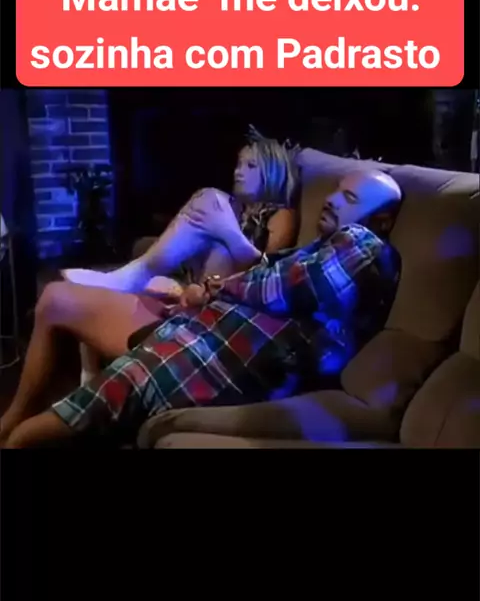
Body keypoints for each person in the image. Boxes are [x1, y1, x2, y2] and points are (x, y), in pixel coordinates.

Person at [0, 169, 403, 449]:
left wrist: (215, 287)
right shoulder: (316, 249)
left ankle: (17, 431)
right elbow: (272, 278)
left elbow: (284, 287)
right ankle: (14, 416)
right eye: (336, 190)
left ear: (383, 220)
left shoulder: (365, 246)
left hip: (208, 350)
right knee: (57, 299)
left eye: (349, 198)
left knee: (30, 437)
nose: (331, 199)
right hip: (195, 322)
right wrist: (197, 294)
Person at [66, 127, 299, 383]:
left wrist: (228, 233)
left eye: (250, 166)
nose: (238, 171)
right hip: (194, 284)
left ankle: (133, 278)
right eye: (239, 164)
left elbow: (266, 273)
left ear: (272, 173)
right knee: (209, 197)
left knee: (215, 224)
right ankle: (89, 373)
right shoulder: (231, 207)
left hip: (226, 299)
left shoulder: (281, 214)